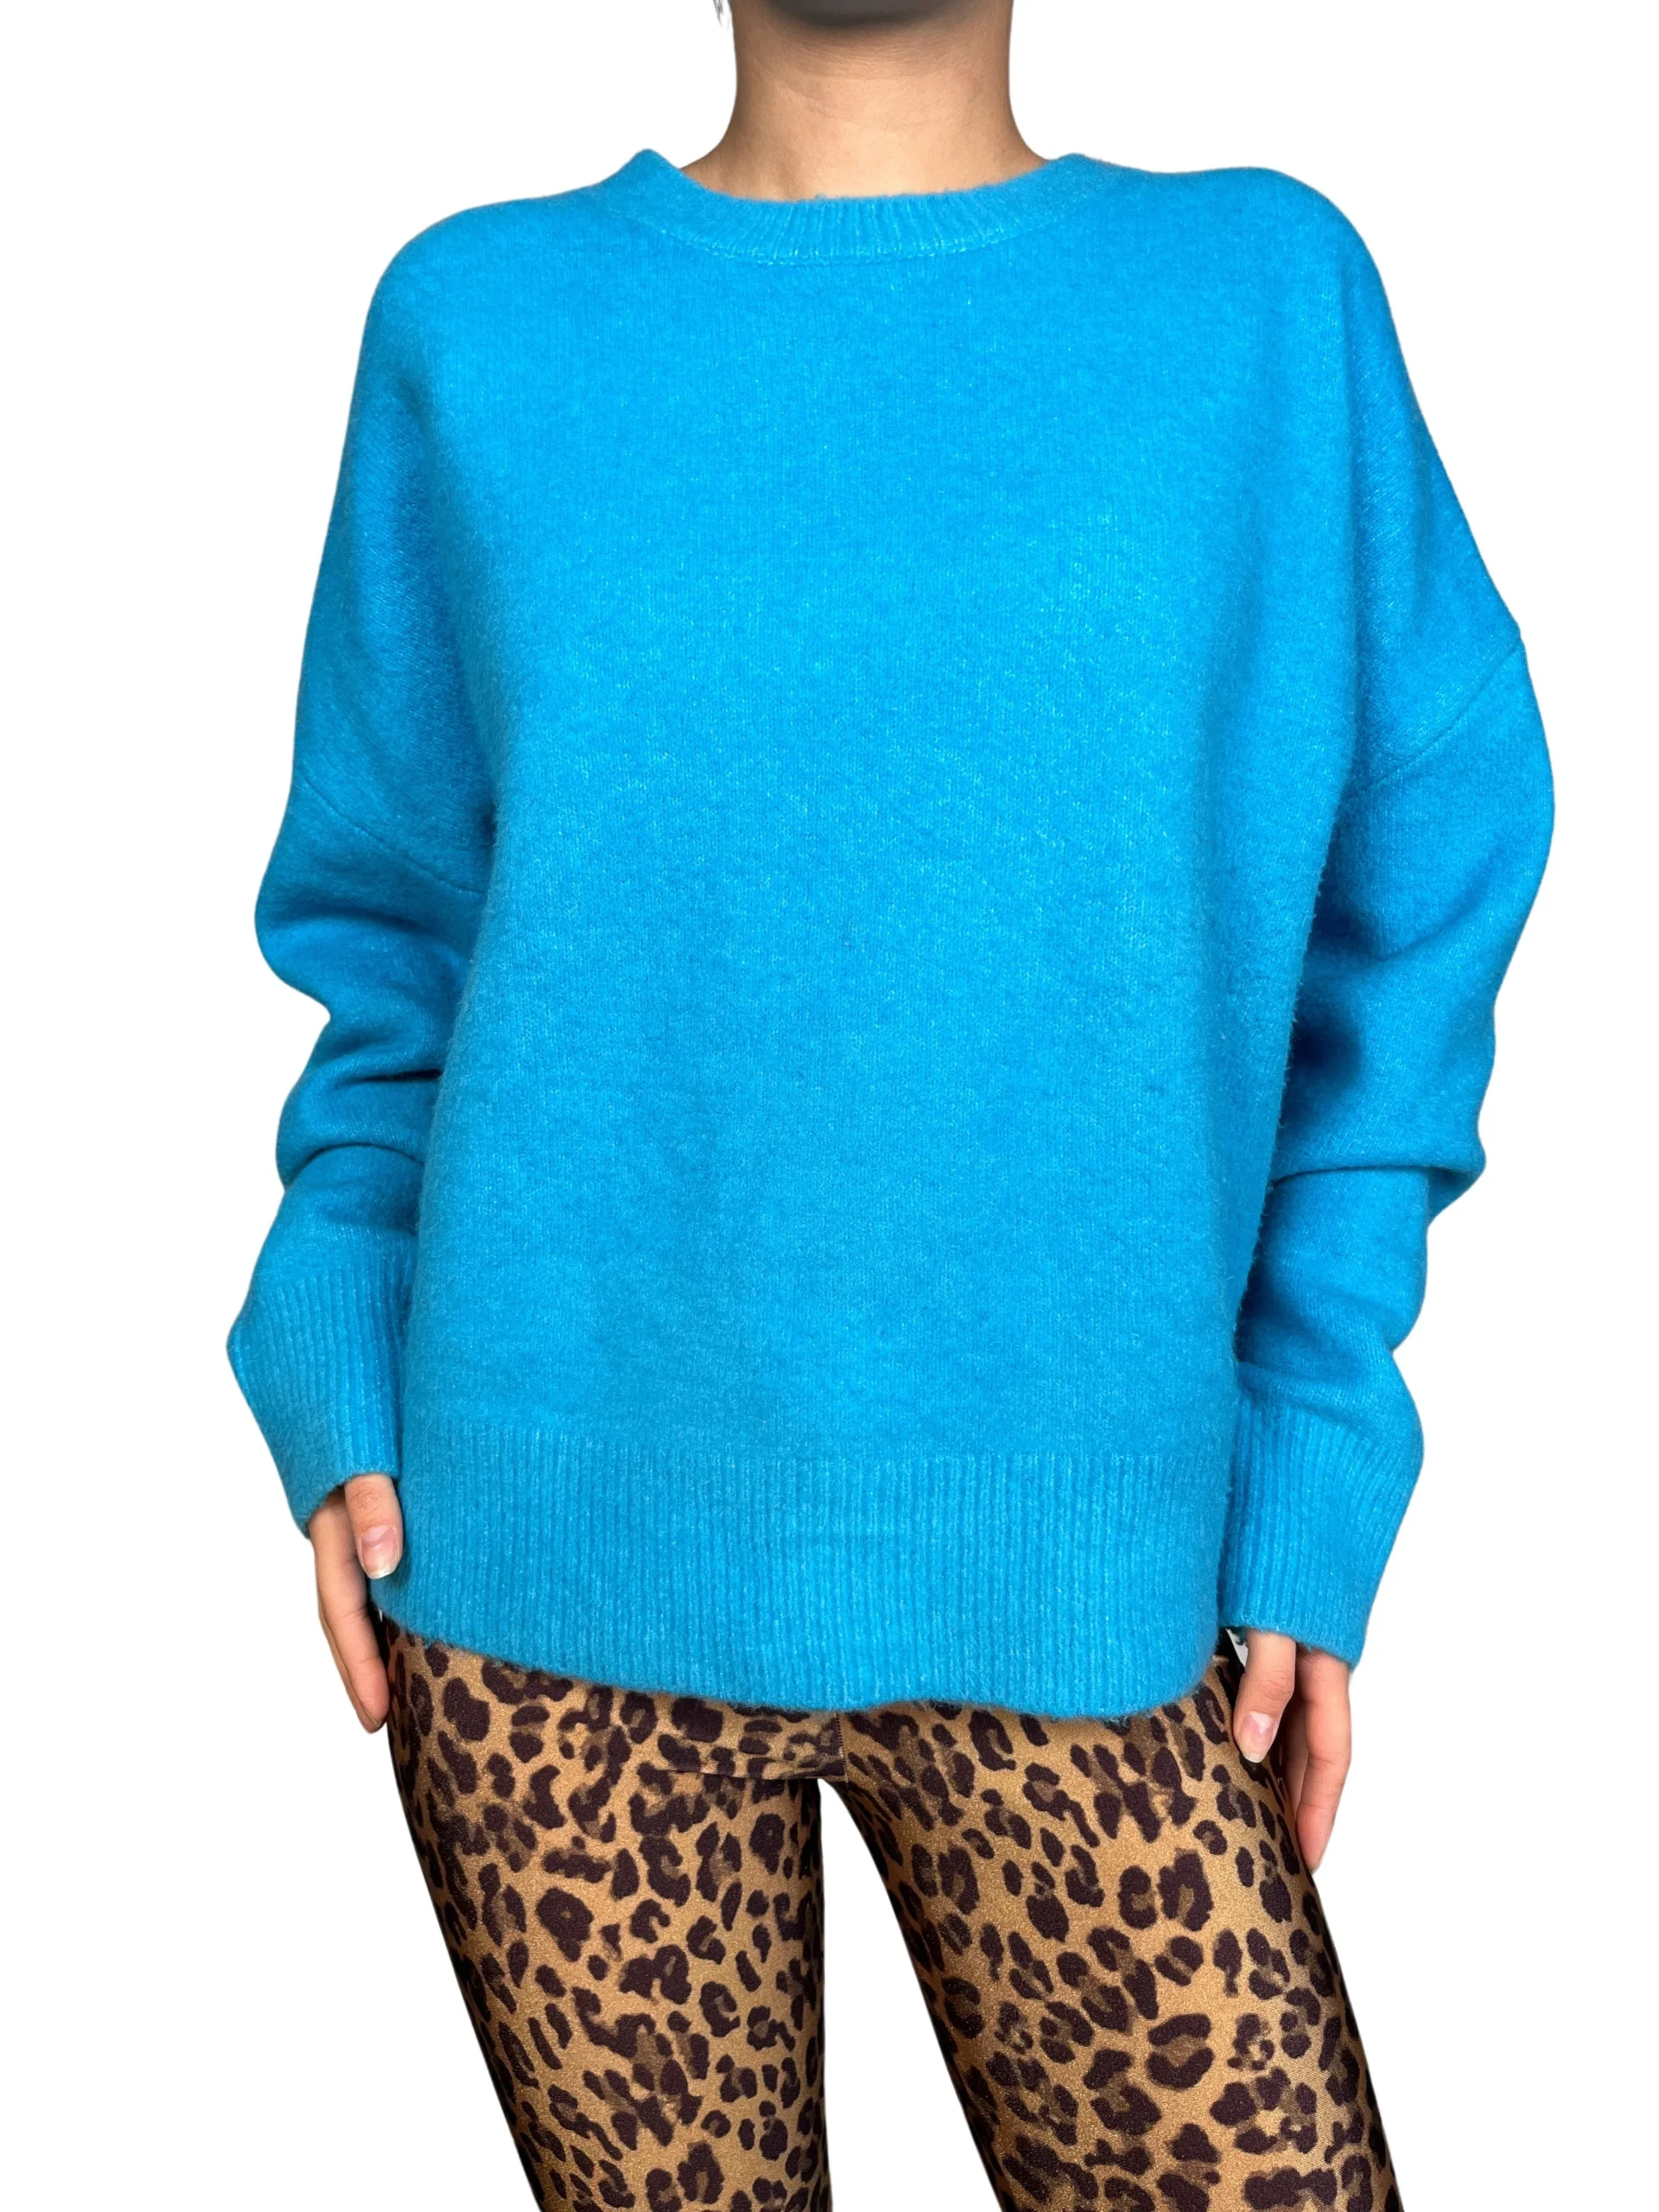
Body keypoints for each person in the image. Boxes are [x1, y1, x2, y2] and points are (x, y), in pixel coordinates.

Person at [229, 2, 1552, 2205]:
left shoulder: (1261, 302)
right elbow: (395, 926)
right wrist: (336, 1340)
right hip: (548, 1576)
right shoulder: (477, 319)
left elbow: (1418, 886)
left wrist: (1314, 1440)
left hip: (1095, 1574)